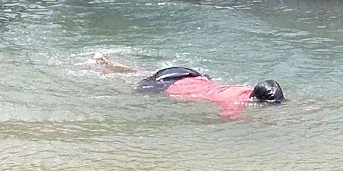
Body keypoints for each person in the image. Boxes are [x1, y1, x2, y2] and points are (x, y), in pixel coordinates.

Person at [90, 53, 284, 119]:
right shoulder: (234, 102)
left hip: (189, 74)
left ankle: (107, 63)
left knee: (140, 72)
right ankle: (104, 68)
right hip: (171, 85)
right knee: (128, 81)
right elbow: (226, 119)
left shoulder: (244, 89)